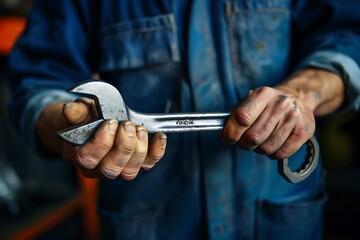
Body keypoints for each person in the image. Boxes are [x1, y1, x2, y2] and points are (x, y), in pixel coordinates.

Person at [6, 0, 360, 239]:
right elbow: (40, 79)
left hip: (280, 218)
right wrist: (67, 126)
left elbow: (349, 37)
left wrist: (304, 93)